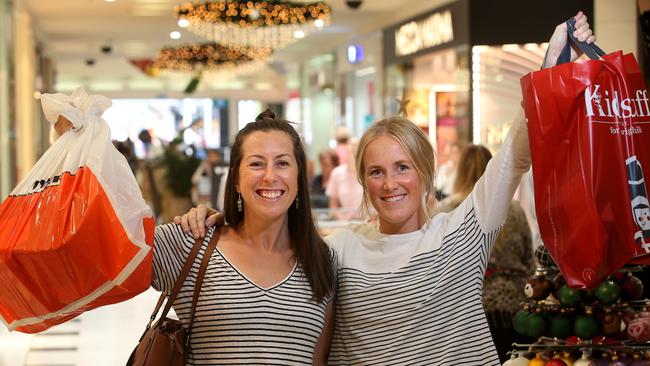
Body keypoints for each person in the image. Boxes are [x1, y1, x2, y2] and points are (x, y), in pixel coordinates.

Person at [177, 13, 594, 365]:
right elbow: (272, 259)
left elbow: (515, 155)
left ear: (427, 174)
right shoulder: (338, 250)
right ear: (362, 181)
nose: (390, 183)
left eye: (402, 168)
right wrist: (217, 221)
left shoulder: (461, 232)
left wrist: (553, 67)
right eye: (375, 172)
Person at [437, 144, 533, 363]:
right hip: (515, 313)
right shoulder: (515, 209)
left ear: (461, 171)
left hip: (467, 314)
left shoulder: (447, 210)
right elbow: (529, 261)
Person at [326, 138, 364, 220]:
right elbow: (332, 206)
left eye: (357, 147)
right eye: (351, 147)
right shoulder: (337, 173)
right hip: (345, 223)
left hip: (366, 222)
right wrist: (340, 217)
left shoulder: (367, 172)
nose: (354, 150)